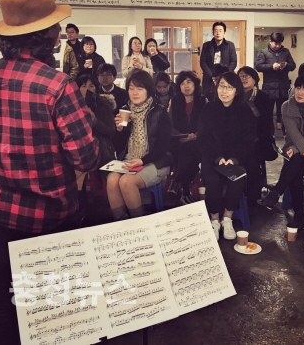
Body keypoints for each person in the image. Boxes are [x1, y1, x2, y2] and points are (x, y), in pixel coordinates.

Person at [0, 0, 99, 345]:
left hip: (3, 211)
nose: (59, 31)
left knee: (4, 296)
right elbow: (86, 157)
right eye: (55, 26)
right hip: (52, 214)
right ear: (46, 35)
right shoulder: (57, 85)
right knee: (52, 305)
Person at [258, 73, 304, 228]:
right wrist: (298, 149)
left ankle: (278, 194)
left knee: (295, 162)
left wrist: (298, 149)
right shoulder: (286, 106)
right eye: (298, 88)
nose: (300, 92)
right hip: (293, 146)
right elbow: (292, 132)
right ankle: (298, 214)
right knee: (296, 163)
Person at [197, 72, 256, 240]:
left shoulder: (245, 110)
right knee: (213, 180)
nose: (224, 91)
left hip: (236, 160)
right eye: (222, 86)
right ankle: (214, 219)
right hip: (213, 159)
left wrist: (235, 158)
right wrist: (217, 157)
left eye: (229, 87)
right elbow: (203, 138)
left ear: (236, 91)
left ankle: (227, 218)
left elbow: (249, 139)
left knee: (237, 178)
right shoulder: (208, 109)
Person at [107, 70, 172, 220]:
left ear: (148, 90)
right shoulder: (125, 110)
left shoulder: (159, 112)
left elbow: (164, 147)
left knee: (126, 182)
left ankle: (139, 223)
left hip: (155, 162)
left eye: (140, 89)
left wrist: (143, 160)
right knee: (111, 180)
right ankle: (121, 222)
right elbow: (119, 147)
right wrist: (119, 130)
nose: (135, 93)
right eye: (131, 88)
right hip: (130, 160)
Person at [238, 66, 275, 205]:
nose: (243, 79)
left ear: (255, 79)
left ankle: (252, 196)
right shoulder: (235, 95)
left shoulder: (263, 97)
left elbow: (266, 122)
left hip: (259, 138)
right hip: (239, 139)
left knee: (251, 160)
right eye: (241, 76)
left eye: (246, 76)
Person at [169, 71, 206, 204]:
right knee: (184, 151)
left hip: (199, 142)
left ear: (195, 85)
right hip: (179, 141)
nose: (186, 86)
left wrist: (195, 136)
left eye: (189, 82)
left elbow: (207, 124)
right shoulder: (174, 102)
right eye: (182, 83)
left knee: (190, 153)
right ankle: (185, 192)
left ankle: (177, 184)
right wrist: (182, 135)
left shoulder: (203, 101)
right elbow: (170, 124)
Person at [255, 32, 296, 130]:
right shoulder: (264, 52)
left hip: (283, 85)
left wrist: (286, 65)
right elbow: (258, 66)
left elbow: (293, 65)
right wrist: (271, 67)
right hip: (269, 87)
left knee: (283, 111)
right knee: (267, 112)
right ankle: (270, 132)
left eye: (279, 44)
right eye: (275, 43)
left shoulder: (285, 51)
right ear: (270, 41)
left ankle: (284, 132)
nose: (278, 46)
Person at [76, 74, 116, 168]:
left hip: (102, 152)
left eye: (91, 86)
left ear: (96, 88)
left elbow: (111, 131)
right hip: (80, 152)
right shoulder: (72, 106)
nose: (87, 89)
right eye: (84, 86)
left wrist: (95, 122)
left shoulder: (104, 105)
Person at [200, 21, 237, 95]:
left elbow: (233, 61)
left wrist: (225, 75)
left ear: (224, 33)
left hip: (226, 78)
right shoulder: (206, 45)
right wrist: (212, 76)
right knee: (208, 97)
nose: (218, 33)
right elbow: (203, 62)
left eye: (220, 31)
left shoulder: (230, 45)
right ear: (213, 32)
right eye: (216, 31)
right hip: (209, 78)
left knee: (225, 95)